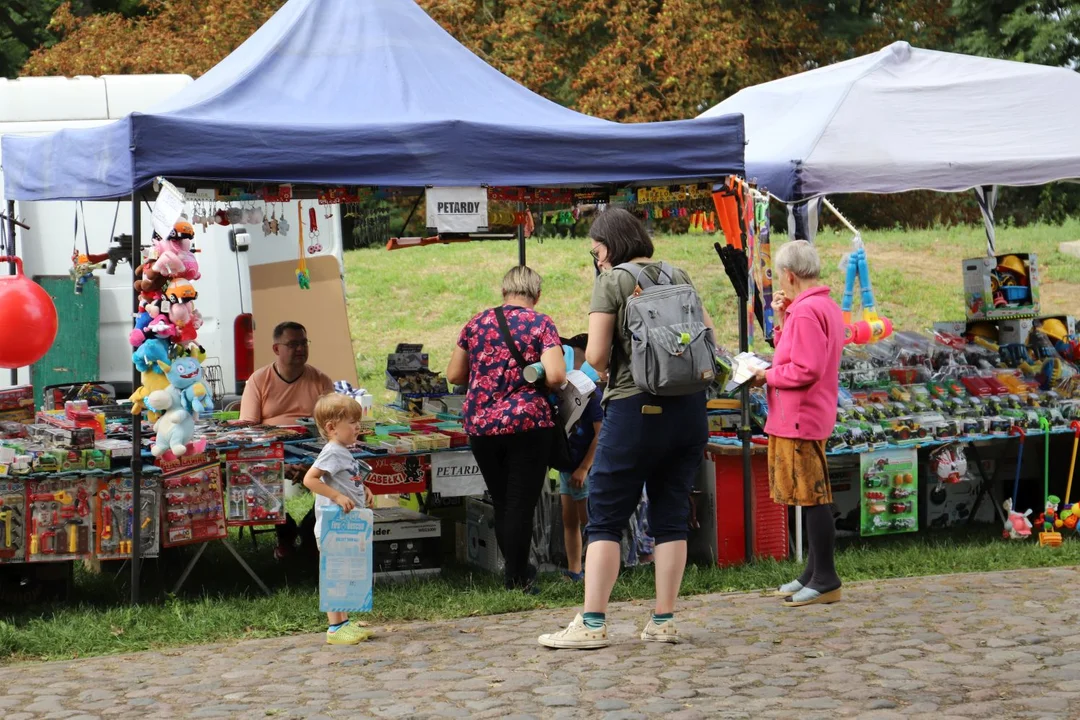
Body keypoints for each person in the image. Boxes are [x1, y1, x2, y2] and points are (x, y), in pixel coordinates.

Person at [539, 208, 714, 649]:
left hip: (635, 409)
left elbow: (595, 357)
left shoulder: (613, 280)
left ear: (610, 246)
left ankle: (593, 623)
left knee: (606, 515)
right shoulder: (678, 273)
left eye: (596, 250)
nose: (595, 259)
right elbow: (707, 338)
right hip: (689, 409)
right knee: (671, 511)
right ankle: (664, 619)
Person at [446, 266, 566, 593]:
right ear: (536, 295)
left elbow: (455, 374)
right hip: (527, 423)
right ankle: (517, 578)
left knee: (502, 501)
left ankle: (516, 572)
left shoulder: (475, 323)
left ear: (503, 292)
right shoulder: (540, 323)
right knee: (520, 504)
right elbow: (556, 376)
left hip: (482, 424)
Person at [750, 240, 844, 607]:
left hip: (800, 416)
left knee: (813, 496)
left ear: (789, 275)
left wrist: (766, 376)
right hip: (810, 413)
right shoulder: (820, 306)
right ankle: (813, 572)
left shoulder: (807, 312)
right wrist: (783, 321)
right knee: (808, 495)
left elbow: (805, 368)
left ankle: (826, 577)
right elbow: (797, 353)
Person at [239, 321, 334, 558]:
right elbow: (247, 428)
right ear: (276, 349)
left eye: (304, 343)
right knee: (256, 473)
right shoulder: (258, 380)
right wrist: (280, 464)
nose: (300, 348)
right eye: (293, 344)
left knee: (343, 472)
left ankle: (311, 527)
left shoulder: (321, 380)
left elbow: (334, 425)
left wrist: (314, 466)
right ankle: (286, 532)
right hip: (271, 448)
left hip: (313, 447)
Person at [303, 393, 376, 645]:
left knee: (344, 572)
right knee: (334, 574)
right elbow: (310, 479)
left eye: (358, 421)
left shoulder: (343, 451)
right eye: (352, 422)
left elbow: (348, 478)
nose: (358, 427)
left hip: (346, 523)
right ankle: (334, 627)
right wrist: (335, 496)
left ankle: (343, 622)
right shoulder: (332, 452)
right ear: (332, 428)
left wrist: (363, 489)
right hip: (332, 524)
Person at [556, 334, 603, 583]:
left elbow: (600, 434)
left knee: (590, 523)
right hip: (567, 466)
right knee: (569, 520)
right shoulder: (561, 389)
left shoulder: (591, 392)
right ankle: (575, 571)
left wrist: (585, 467)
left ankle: (597, 572)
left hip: (583, 469)